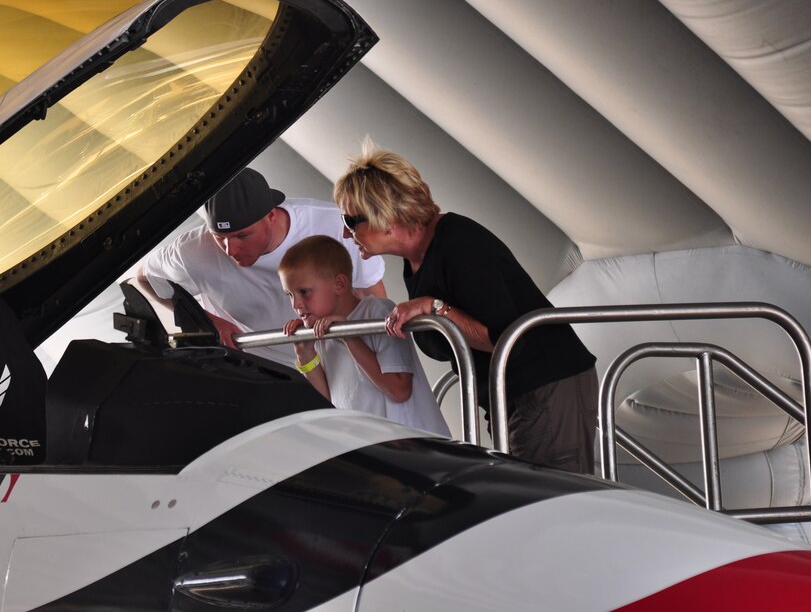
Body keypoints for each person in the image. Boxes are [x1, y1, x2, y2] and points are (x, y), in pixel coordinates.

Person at [333, 143, 597, 473]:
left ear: (384, 215)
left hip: (544, 384)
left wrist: (434, 307)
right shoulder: (415, 260)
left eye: (349, 220)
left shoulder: (458, 244)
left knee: (556, 508)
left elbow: (505, 339)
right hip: (510, 395)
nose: (346, 231)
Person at [137, 167, 386, 367]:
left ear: (271, 216)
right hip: (261, 369)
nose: (229, 249)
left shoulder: (332, 225)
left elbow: (371, 294)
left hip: (341, 360)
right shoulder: (192, 250)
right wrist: (206, 320)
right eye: (219, 237)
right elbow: (143, 278)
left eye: (242, 236)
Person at [279, 235, 450, 436]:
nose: (295, 304)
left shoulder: (378, 312)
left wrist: (348, 335)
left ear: (340, 285)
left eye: (304, 292)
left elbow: (400, 390)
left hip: (415, 447)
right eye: (290, 294)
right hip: (370, 448)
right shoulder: (322, 329)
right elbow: (326, 404)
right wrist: (304, 353)